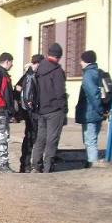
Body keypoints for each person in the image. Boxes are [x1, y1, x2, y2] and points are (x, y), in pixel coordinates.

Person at [31, 43, 67, 173]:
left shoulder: (39, 69)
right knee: (52, 138)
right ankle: (48, 167)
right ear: (59, 56)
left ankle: (36, 165)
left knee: (40, 138)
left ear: (48, 54)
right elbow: (60, 93)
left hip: (41, 109)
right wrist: (64, 109)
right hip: (55, 110)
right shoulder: (57, 71)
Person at [75, 50, 107, 168]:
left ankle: (92, 163)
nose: (80, 63)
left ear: (86, 61)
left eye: (81, 60)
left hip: (90, 112)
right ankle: (90, 161)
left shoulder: (88, 74)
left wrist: (99, 110)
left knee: (90, 139)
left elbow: (93, 94)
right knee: (92, 138)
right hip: (96, 112)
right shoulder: (97, 72)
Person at [15, 54, 43, 173]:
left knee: (29, 137)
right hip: (34, 111)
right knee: (33, 137)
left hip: (27, 111)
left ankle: (25, 165)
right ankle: (30, 164)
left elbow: (17, 88)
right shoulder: (33, 76)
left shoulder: (26, 75)